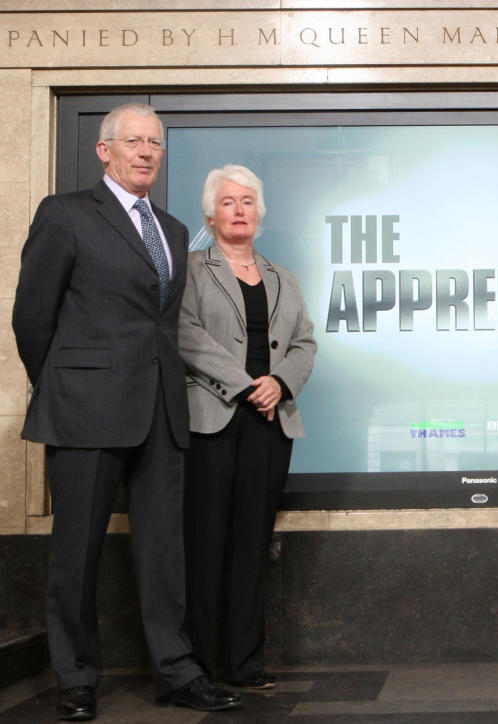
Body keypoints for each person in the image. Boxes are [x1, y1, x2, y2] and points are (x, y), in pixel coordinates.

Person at [11, 104, 240, 721]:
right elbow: (32, 318)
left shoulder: (168, 229)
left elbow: (161, 327)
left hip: (161, 411)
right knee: (76, 552)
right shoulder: (64, 215)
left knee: (165, 552)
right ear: (104, 150)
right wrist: (65, 384)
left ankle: (178, 672)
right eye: (133, 141)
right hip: (85, 410)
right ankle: (76, 679)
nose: (146, 151)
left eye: (155, 143)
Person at [178, 164, 316, 689]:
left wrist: (279, 384)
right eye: (229, 202)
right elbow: (184, 334)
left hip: (269, 423)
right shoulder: (190, 269)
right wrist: (244, 383)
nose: (240, 210)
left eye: (248, 202)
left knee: (253, 543)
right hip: (212, 419)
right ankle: (199, 666)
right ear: (211, 215)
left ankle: (244, 663)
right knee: (205, 542)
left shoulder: (284, 276)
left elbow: (305, 343)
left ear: (261, 213)